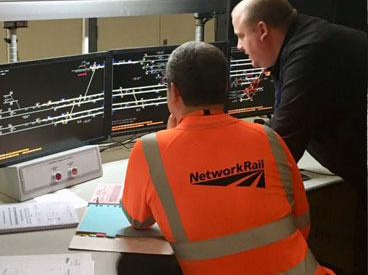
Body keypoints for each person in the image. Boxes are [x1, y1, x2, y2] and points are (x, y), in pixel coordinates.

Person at [121, 41, 334, 275]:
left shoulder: (150, 150)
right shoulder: (266, 137)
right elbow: (302, 224)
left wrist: (169, 137)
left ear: (173, 91)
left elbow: (138, 220)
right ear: (225, 86)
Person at [230, 0, 367, 198]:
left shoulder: (309, 52)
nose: (239, 46)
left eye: (241, 36)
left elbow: (283, 149)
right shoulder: (302, 39)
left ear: (262, 30)